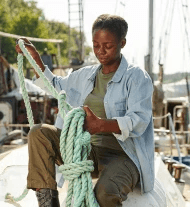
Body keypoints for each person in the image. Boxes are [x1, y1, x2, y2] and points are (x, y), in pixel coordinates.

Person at [15, 14, 155, 207]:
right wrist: (36, 59)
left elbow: (139, 120)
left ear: (122, 43)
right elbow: (54, 84)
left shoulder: (137, 77)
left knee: (104, 194)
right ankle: (48, 204)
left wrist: (101, 125)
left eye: (108, 45)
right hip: (87, 152)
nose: (101, 51)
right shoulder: (85, 75)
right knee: (39, 133)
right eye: (96, 45)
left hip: (124, 156)